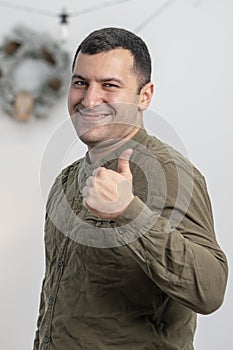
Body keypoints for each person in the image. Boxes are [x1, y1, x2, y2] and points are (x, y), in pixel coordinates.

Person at [33, 27, 228, 350]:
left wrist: (129, 213)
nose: (89, 99)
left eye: (109, 85)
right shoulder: (66, 181)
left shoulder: (171, 173)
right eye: (81, 83)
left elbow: (209, 291)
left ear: (144, 95)